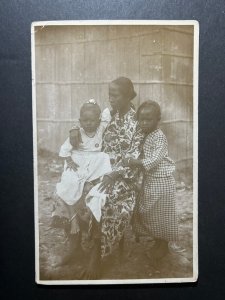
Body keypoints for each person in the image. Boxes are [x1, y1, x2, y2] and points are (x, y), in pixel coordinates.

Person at [69, 77, 144, 279]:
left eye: (115, 95)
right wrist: (74, 129)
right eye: (109, 94)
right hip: (98, 169)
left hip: (123, 177)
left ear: (128, 96)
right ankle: (75, 245)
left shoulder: (136, 121)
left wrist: (114, 174)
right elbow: (86, 122)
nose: (110, 99)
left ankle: (96, 254)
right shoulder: (107, 114)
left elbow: (135, 155)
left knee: (103, 199)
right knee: (71, 188)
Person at [51, 99, 112, 265]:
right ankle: (73, 221)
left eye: (92, 120)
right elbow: (64, 149)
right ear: (79, 121)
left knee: (104, 158)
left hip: (95, 162)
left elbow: (107, 112)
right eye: (85, 120)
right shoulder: (77, 133)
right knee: (68, 183)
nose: (89, 123)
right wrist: (69, 159)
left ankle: (94, 246)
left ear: (98, 121)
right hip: (79, 160)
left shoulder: (102, 126)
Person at [123, 100, 179, 270]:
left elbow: (154, 160)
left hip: (162, 181)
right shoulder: (143, 134)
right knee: (150, 211)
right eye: (141, 119)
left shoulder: (159, 137)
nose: (144, 123)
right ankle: (157, 241)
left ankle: (163, 245)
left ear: (157, 120)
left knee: (162, 214)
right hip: (151, 180)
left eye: (148, 119)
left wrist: (135, 162)